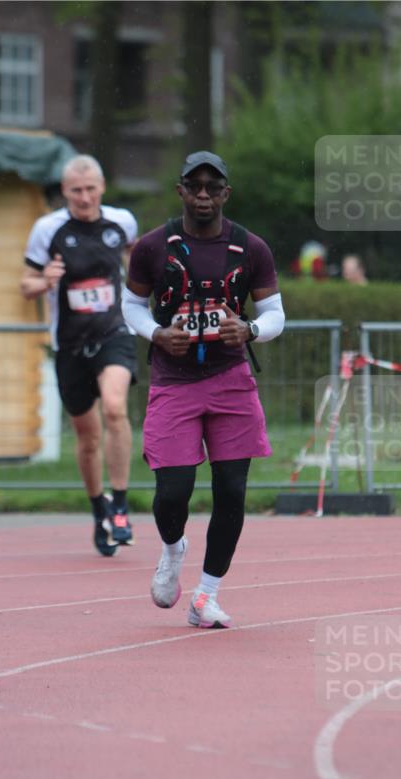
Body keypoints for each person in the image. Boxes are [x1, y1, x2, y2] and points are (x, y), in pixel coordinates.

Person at [121, 150, 284, 628]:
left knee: (231, 490)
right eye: (196, 186)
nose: (205, 195)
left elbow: (276, 313)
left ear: (226, 193)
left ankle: (205, 596)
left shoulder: (251, 248)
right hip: (174, 383)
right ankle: (174, 549)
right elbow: (131, 306)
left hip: (232, 380)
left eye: (214, 187)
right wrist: (155, 333)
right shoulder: (153, 247)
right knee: (174, 492)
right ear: (182, 191)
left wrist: (250, 331)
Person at [21, 154, 138, 556]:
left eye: (90, 189)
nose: (84, 198)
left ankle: (120, 504)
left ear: (102, 187)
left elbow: (135, 265)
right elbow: (25, 283)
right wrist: (43, 282)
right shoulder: (47, 229)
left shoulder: (121, 222)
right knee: (88, 439)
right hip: (70, 344)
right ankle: (98, 510)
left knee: (115, 407)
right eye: (76, 191)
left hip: (114, 333)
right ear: (65, 191)